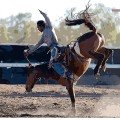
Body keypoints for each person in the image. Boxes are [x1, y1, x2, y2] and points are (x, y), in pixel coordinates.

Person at [24, 10, 73, 81]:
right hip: (53, 50)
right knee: (52, 64)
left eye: (38, 27)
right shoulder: (43, 36)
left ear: (41, 26)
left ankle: (67, 74)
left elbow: (47, 19)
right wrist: (28, 52)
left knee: (52, 63)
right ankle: (66, 74)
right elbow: (37, 45)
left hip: (56, 48)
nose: (38, 29)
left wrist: (43, 14)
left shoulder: (49, 27)